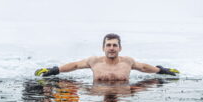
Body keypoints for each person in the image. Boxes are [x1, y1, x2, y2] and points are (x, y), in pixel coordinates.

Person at [35, 33, 179, 81]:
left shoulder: (127, 62)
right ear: (103, 48)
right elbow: (75, 65)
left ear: (120, 48)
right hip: (98, 90)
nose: (111, 48)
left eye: (114, 45)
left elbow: (143, 67)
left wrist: (162, 70)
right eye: (108, 45)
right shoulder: (94, 61)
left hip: (122, 91)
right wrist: (55, 70)